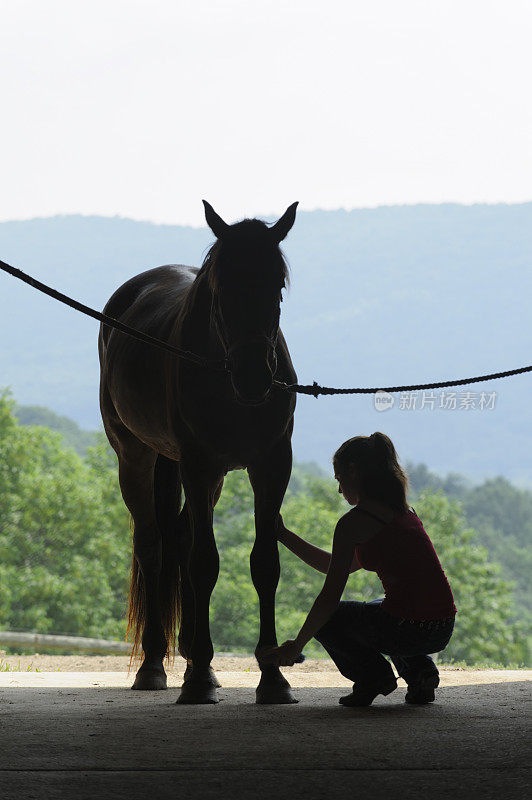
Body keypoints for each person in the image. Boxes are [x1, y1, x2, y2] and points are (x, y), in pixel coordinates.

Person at [260, 432, 456, 706]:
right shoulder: (403, 511)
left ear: (354, 472)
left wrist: (297, 645)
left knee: (332, 619)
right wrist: (284, 535)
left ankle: (373, 677)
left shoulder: (354, 523)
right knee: (381, 606)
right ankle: (420, 673)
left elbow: (329, 598)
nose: (340, 490)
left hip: (407, 628)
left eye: (340, 479)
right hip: (442, 626)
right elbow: (334, 565)